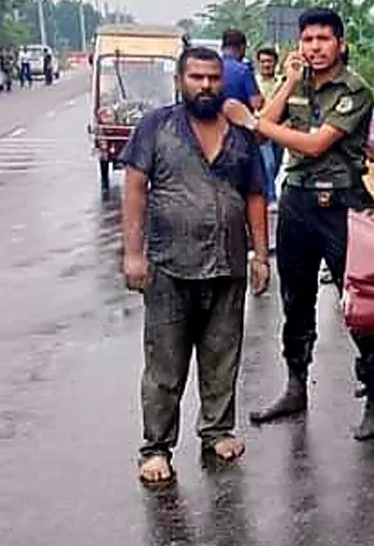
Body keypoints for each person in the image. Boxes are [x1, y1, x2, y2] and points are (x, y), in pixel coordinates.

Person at [221, 7, 374, 441]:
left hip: (340, 202)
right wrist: (290, 82)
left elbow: (315, 145)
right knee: (296, 299)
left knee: (359, 302)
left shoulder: (355, 90)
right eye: (308, 40)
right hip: (297, 200)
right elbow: (263, 135)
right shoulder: (296, 84)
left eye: (323, 39)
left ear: (341, 43)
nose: (315, 48)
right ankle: (296, 386)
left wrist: (256, 122)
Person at [121, 46, 271, 485]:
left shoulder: (240, 134)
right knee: (165, 363)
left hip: (227, 264)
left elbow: (256, 196)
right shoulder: (156, 127)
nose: (205, 85)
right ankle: (156, 448)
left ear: (222, 81)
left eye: (213, 78)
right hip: (169, 264)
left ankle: (217, 431)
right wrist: (133, 253)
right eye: (196, 77)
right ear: (180, 81)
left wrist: (260, 255)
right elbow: (135, 188)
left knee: (222, 356)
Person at [253, 46, 284, 205]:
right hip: (261, 130)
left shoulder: (283, 82)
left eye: (269, 61)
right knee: (268, 163)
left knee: (276, 163)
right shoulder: (253, 82)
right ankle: (270, 198)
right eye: (263, 61)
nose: (266, 65)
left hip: (279, 129)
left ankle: (267, 191)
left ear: (275, 63)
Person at [219, 30, 263, 111]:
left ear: (222, 47)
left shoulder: (212, 67)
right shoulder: (244, 70)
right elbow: (256, 103)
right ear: (242, 47)